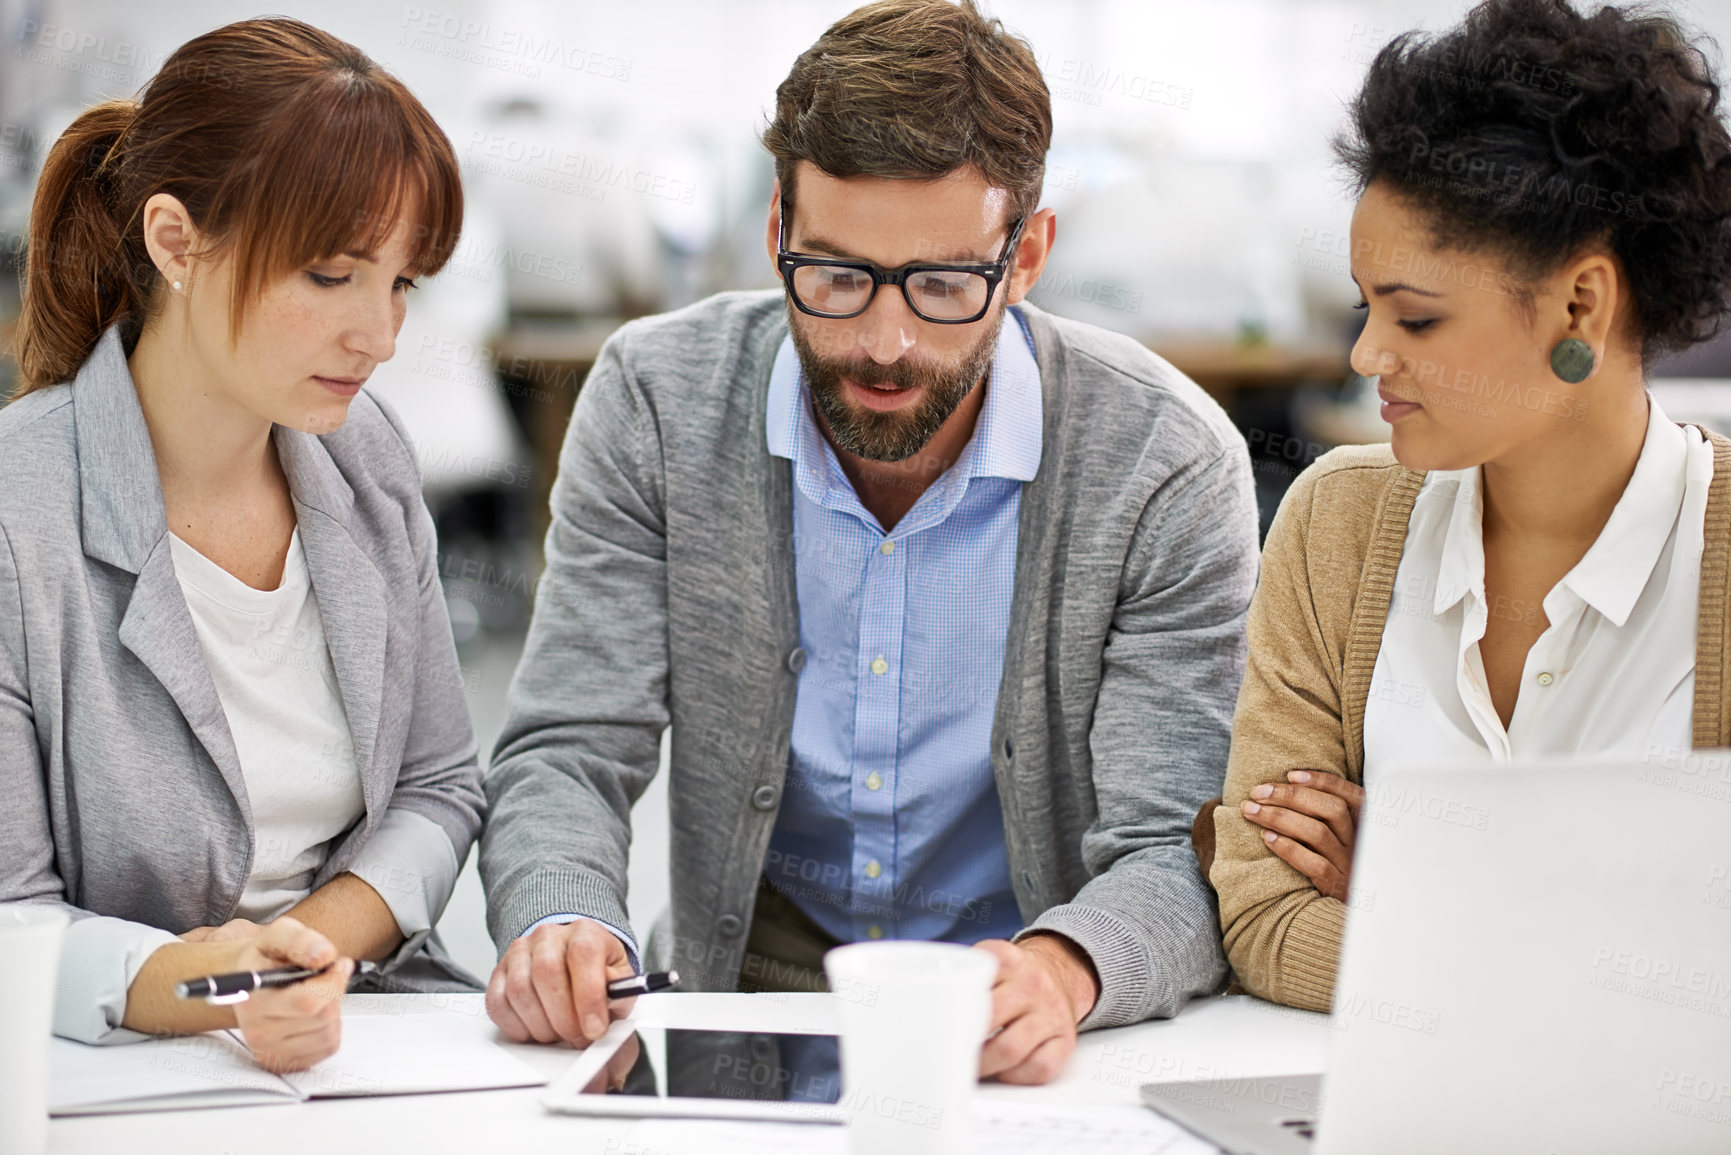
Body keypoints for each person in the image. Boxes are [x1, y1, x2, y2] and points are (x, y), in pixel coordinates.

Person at [480, 0, 1258, 1090]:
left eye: (943, 285)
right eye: (836, 276)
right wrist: (565, 920)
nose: (884, 345)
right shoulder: (656, 400)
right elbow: (568, 746)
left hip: (1034, 1007)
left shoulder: (1163, 461)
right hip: (750, 982)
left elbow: (1178, 844)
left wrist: (1068, 967)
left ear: (1026, 254)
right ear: (774, 234)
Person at [1204, 0, 1731, 1011]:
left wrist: (1408, 890)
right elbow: (1265, 916)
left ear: (1581, 305)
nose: (1367, 357)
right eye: (1367, 309)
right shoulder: (1337, 525)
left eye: (1417, 316)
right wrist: (1598, 946)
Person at [0, 18, 484, 1070]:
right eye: (330, 275)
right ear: (177, 242)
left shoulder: (370, 461)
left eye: (402, 282)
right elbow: (9, 918)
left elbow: (442, 786)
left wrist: (311, 951)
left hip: (365, 1032)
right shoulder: (18, 513)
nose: (381, 335)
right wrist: (217, 991)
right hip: (111, 1066)